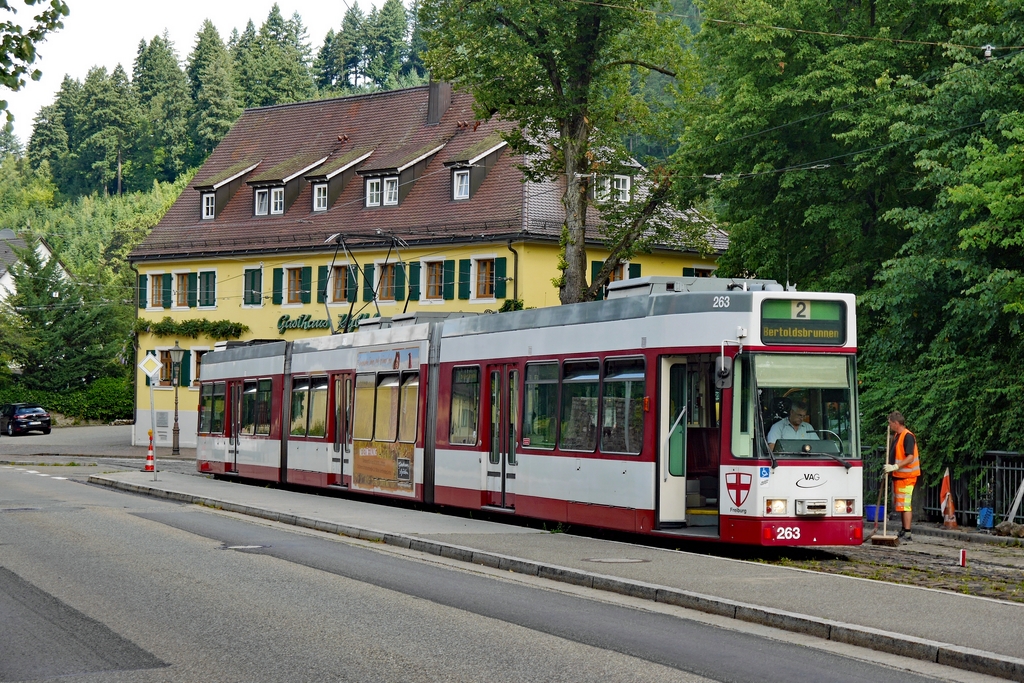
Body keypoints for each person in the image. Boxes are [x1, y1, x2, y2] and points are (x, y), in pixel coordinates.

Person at [883, 410, 920, 543]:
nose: (889, 426)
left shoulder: (907, 436)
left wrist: (895, 466)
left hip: (907, 477)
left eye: (890, 423)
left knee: (905, 505)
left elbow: (910, 457)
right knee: (902, 505)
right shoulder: (897, 435)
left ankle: (908, 532)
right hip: (900, 476)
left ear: (896, 423)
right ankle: (904, 529)